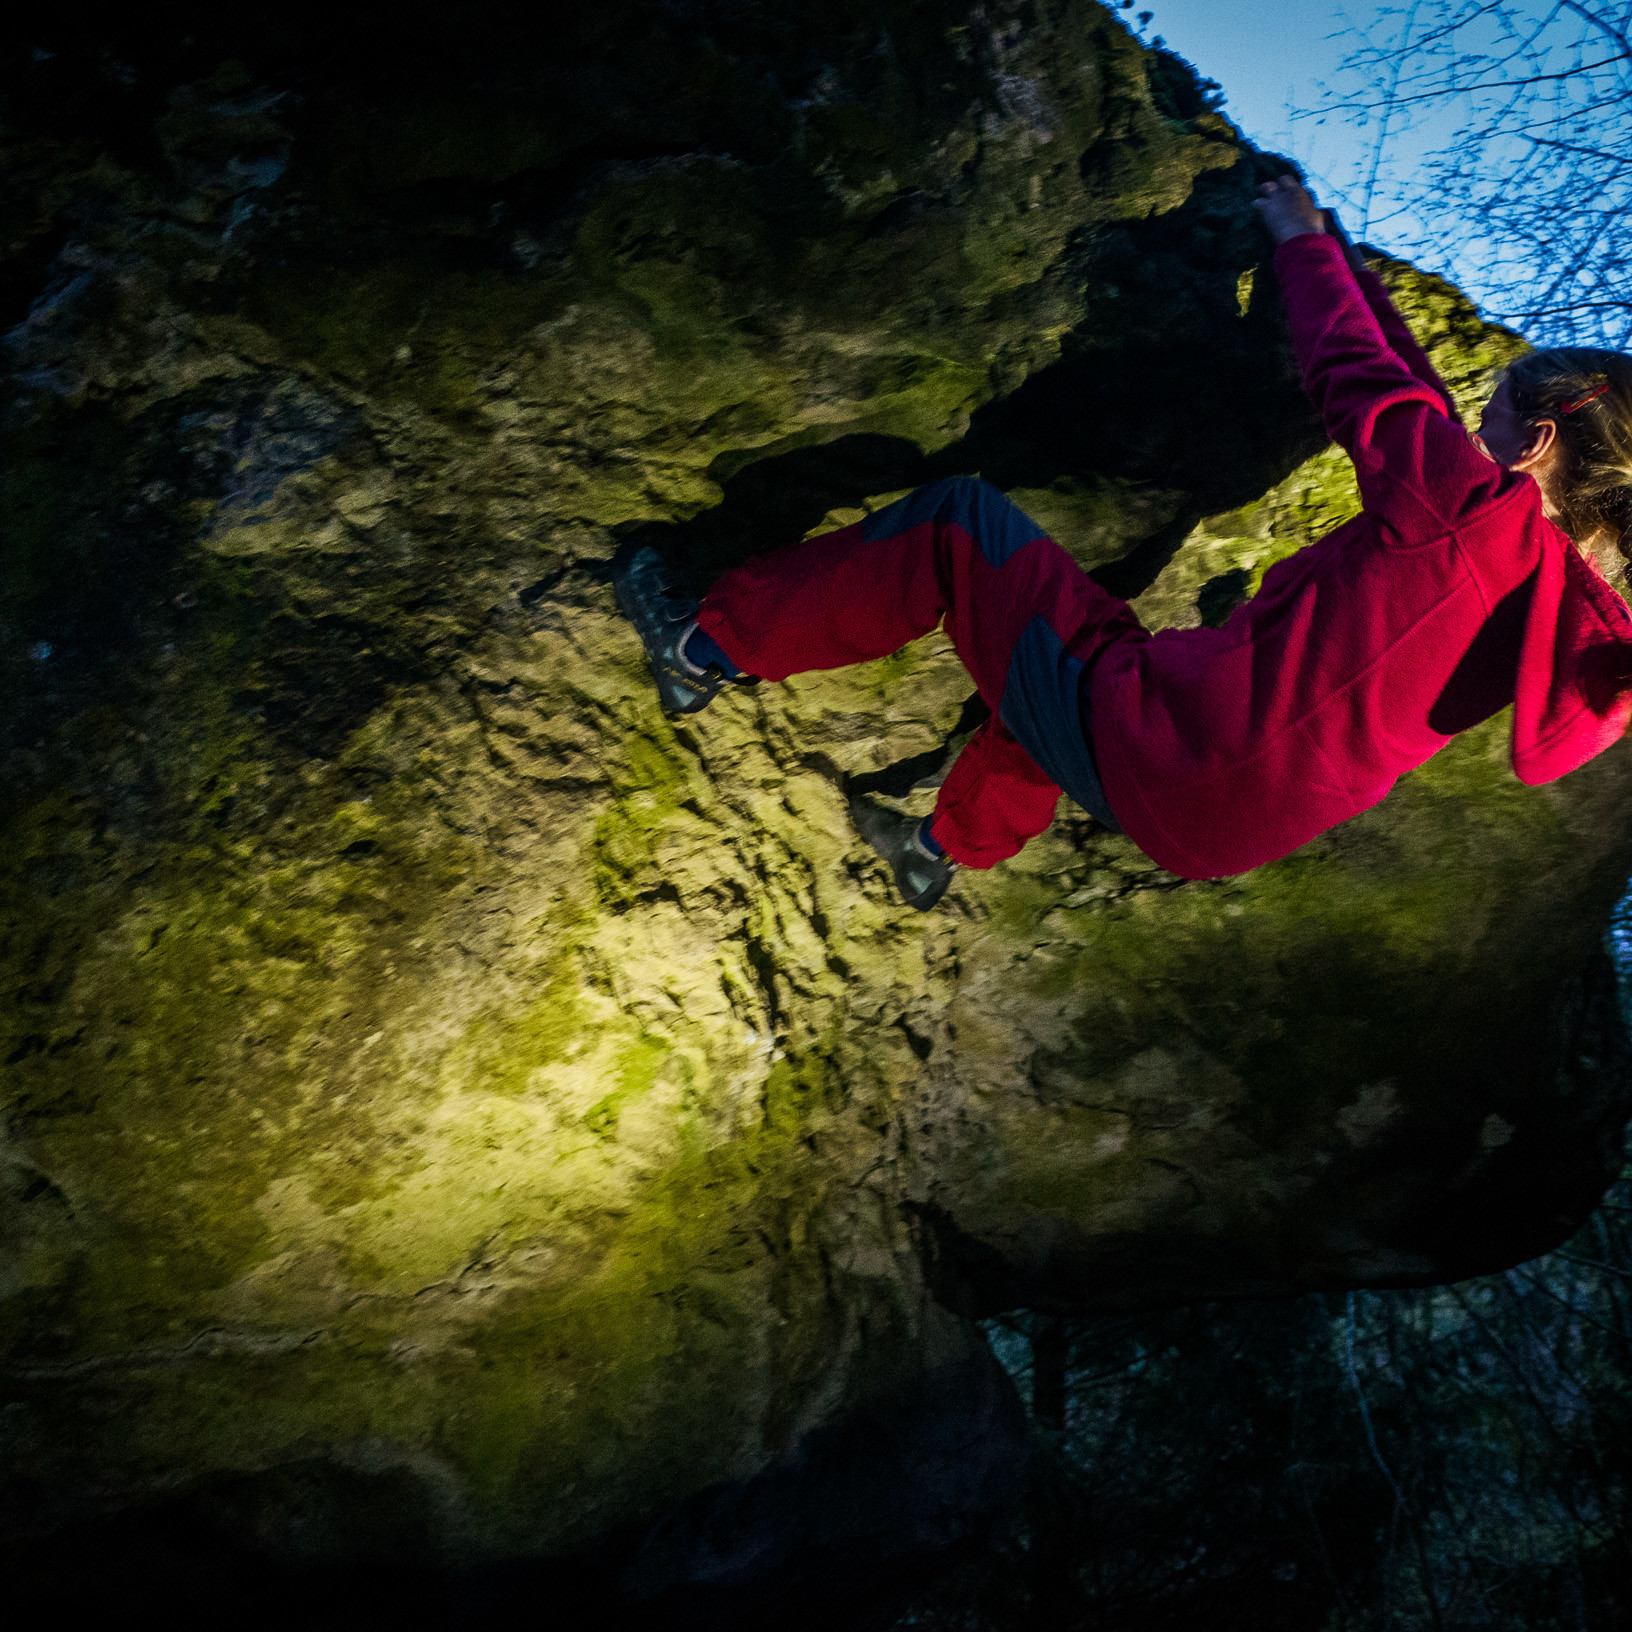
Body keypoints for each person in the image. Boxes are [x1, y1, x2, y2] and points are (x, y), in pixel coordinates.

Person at [614, 176, 1632, 910]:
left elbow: (1367, 381)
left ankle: (702, 647)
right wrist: (1355, 267)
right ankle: (934, 850)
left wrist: (1299, 240)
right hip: (1228, 823)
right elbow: (1412, 393)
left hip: (1168, 756)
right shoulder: (1551, 608)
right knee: (1080, 649)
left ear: (1537, 445)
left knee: (957, 528)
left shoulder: (1466, 510)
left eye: (1490, 418)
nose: (1468, 428)